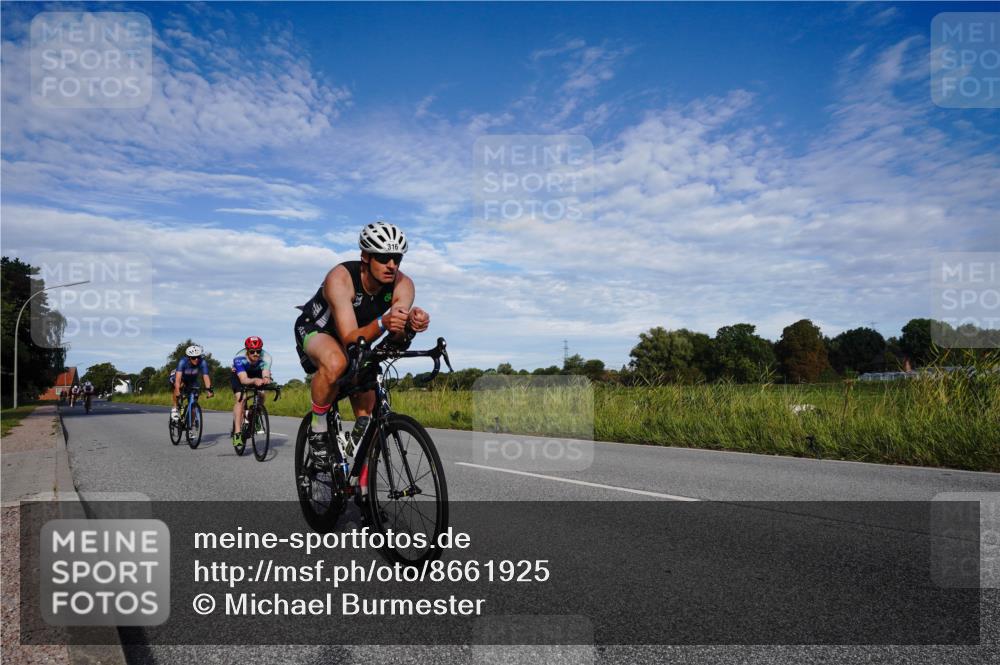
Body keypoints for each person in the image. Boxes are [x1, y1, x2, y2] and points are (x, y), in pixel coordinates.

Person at [294, 221, 430, 469]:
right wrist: (383, 321)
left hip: (361, 337)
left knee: (367, 414)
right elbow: (348, 338)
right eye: (383, 257)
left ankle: (363, 488)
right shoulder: (340, 278)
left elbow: (395, 336)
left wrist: (409, 326)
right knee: (337, 362)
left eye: (397, 258)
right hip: (318, 329)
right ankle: (317, 429)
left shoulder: (404, 285)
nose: (392, 265)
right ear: (366, 257)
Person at [231, 336, 272, 448]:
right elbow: (244, 380)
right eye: (252, 351)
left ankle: (254, 415)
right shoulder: (239, 358)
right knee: (242, 398)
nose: (255, 354)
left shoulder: (266, 358)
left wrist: (266, 379)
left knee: (262, 394)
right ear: (247, 351)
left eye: (258, 351)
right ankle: (237, 433)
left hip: (256, 372)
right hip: (241, 374)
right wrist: (254, 380)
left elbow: (265, 374)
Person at [171, 344, 214, 420]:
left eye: (198, 357)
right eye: (194, 357)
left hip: (192, 380)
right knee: (179, 385)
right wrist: (177, 390)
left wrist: (208, 389)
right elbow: (177, 379)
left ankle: (191, 426)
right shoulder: (183, 362)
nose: (196, 359)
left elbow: (206, 376)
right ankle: (174, 408)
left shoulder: (202, 362)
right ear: (189, 358)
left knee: (194, 399)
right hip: (180, 377)